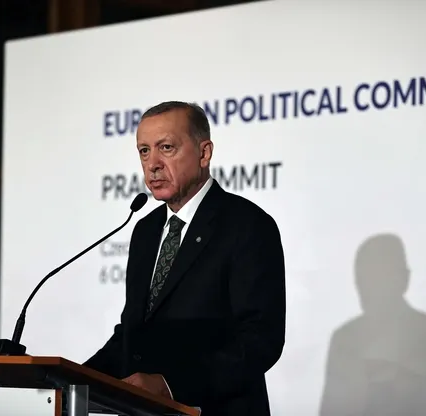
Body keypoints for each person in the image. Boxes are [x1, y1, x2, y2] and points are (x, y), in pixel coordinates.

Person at [83, 101, 286, 416]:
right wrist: (74, 381)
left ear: (204, 153)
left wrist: (170, 385)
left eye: (166, 148)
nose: (153, 164)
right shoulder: (146, 231)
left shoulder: (247, 225)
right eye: (144, 151)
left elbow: (260, 340)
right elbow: (132, 334)